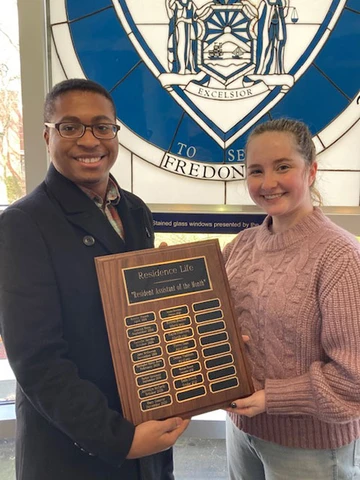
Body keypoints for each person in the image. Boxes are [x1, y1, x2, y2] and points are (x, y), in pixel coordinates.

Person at [0, 78, 189, 480]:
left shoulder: (135, 211)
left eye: (103, 126)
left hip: (148, 431)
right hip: (77, 449)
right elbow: (38, 360)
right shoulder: (21, 225)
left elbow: (139, 318)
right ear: (47, 136)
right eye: (71, 127)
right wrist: (118, 439)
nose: (90, 140)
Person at [223, 118, 360, 479]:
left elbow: (354, 379)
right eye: (256, 170)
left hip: (310, 447)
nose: (268, 183)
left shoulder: (341, 257)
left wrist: (272, 398)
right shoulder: (241, 245)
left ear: (311, 171)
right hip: (241, 430)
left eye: (283, 167)